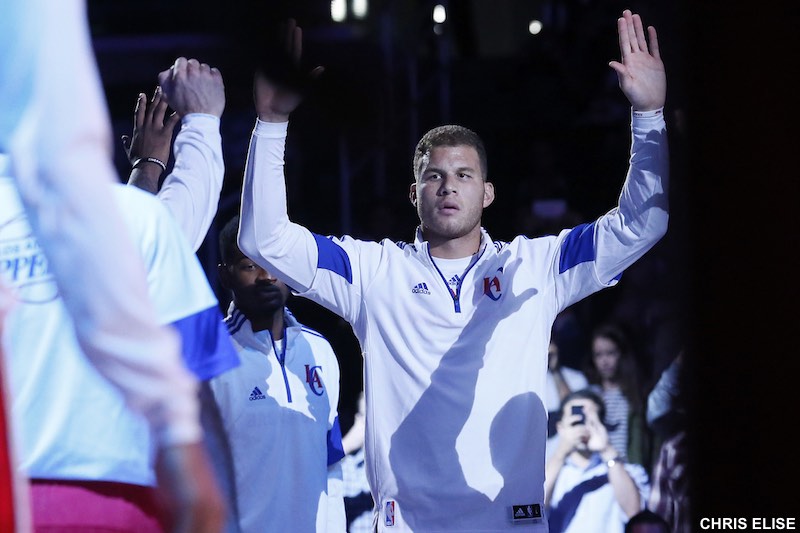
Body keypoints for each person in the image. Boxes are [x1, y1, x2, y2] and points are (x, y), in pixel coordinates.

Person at [234, 10, 667, 532]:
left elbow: (641, 225)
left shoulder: (535, 266)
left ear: (487, 193)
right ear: (413, 194)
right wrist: (271, 123)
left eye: (464, 175)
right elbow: (264, 240)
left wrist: (649, 117)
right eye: (434, 176)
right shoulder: (372, 272)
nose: (448, 186)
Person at [0, 0, 228, 531]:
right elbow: (195, 374)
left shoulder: (131, 218)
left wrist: (149, 168)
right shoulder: (135, 221)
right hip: (115, 498)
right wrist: (201, 124)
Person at [209, 215, 346, 533]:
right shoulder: (209, 356)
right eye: (249, 265)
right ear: (225, 275)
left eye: (275, 262)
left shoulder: (320, 350)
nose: (267, 276)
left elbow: (331, 463)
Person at [544, 389, 649, 533]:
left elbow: (634, 513)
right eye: (576, 419)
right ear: (560, 428)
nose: (583, 426)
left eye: (590, 419)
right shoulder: (548, 472)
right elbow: (533, 509)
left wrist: (606, 450)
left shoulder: (627, 471)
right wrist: (560, 454)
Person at [584, 323, 650, 466]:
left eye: (610, 353)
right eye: (598, 355)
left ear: (621, 354)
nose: (604, 361)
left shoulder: (634, 395)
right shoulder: (590, 396)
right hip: (597, 470)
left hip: (629, 468)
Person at [546, 337, 589, 460]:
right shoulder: (528, 382)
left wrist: (555, 371)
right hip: (544, 458)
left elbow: (573, 410)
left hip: (573, 458)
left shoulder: (576, 379)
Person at [341, 391, 374, 533]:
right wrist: (345, 446)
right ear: (358, 420)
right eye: (367, 417)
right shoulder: (346, 467)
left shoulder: (401, 463)